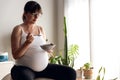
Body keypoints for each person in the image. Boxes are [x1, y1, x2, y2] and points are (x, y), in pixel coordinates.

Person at [11, 1, 76, 80]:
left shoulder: (40, 29)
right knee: (25, 77)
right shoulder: (18, 29)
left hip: (44, 68)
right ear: (25, 13)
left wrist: (48, 50)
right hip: (23, 68)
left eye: (38, 14)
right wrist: (27, 43)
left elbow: (42, 49)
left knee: (71, 72)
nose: (36, 17)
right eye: (33, 14)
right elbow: (15, 55)